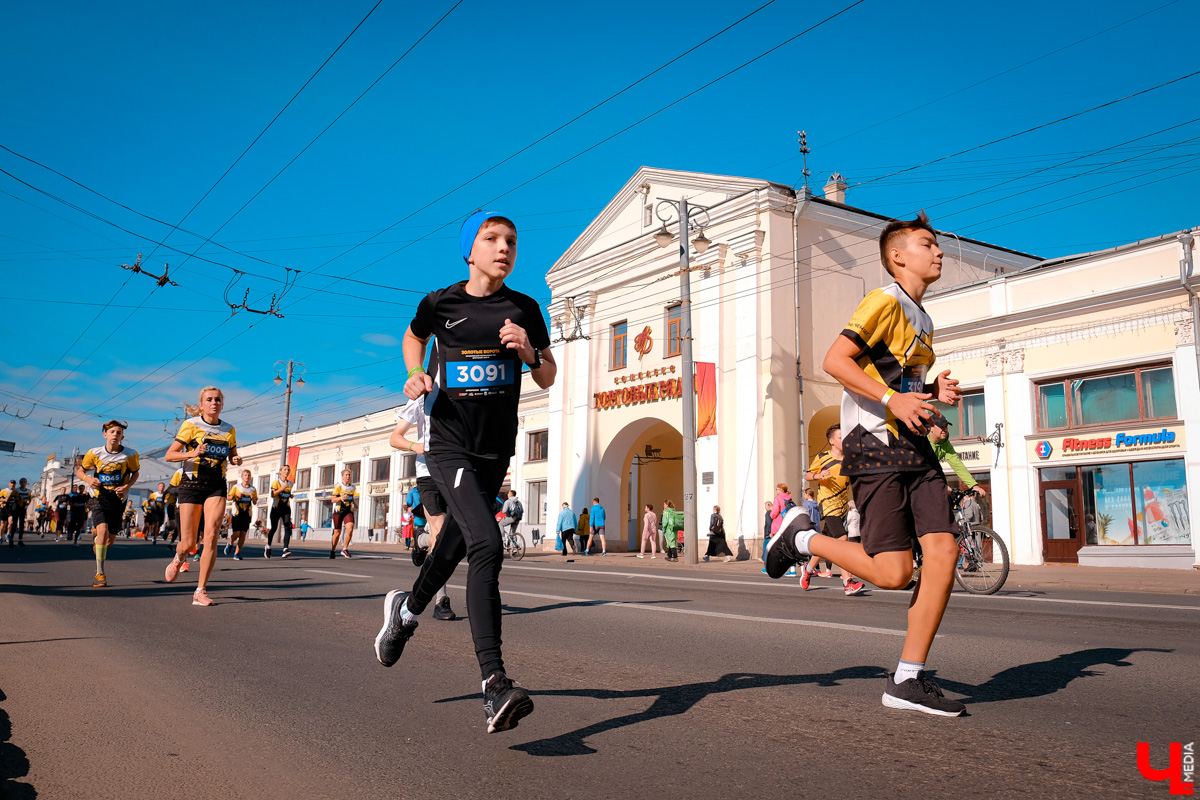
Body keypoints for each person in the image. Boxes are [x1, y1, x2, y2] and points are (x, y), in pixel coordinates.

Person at [766, 211, 967, 716]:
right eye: (928, 244)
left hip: (914, 448)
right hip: (873, 446)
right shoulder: (884, 300)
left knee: (943, 552)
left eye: (937, 245)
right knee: (895, 574)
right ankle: (800, 539)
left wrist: (929, 396)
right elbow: (836, 360)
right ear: (898, 256)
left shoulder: (924, 317)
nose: (938, 251)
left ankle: (907, 678)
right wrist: (895, 399)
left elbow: (902, 386)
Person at [372, 210, 556, 734]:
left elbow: (547, 374)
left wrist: (527, 350)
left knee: (453, 544)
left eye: (511, 242)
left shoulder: (524, 308)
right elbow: (412, 339)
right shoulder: (441, 303)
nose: (504, 248)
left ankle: (404, 614)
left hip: (495, 452)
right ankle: (495, 684)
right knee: (486, 545)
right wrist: (413, 375)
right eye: (492, 239)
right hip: (448, 446)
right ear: (469, 251)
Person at [163, 386, 241, 607]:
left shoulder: (229, 429)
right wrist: (193, 452)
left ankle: (200, 590)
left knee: (211, 536)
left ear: (222, 404)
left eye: (217, 399)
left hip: (216, 485)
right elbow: (170, 455)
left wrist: (236, 459)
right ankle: (179, 558)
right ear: (201, 405)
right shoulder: (191, 425)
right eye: (209, 399)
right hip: (192, 485)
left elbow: (233, 454)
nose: (214, 403)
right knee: (188, 542)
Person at [390, 390, 456, 621]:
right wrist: (415, 446)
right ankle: (441, 601)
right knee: (440, 537)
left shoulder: (464, 392)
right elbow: (395, 437)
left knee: (456, 538)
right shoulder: (422, 397)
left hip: (456, 473)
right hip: (428, 475)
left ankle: (420, 540)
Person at [803, 424, 866, 596]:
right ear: (831, 441)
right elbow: (808, 474)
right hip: (827, 503)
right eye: (840, 437)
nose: (844, 439)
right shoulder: (822, 457)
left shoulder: (849, 459)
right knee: (842, 538)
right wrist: (818, 475)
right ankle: (847, 582)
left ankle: (808, 569)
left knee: (827, 543)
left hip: (842, 504)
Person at [76, 421, 141, 587]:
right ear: (105, 435)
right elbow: (80, 471)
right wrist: (89, 479)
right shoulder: (94, 453)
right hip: (98, 496)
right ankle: (100, 573)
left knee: (109, 541)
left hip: (118, 499)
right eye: (111, 432)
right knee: (103, 531)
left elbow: (135, 473)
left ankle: (98, 538)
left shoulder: (130, 454)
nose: (115, 435)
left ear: (122, 437)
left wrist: (126, 487)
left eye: (118, 433)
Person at [928, 413, 987, 500]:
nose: (944, 429)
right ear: (931, 427)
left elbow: (957, 464)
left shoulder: (945, 444)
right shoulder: (923, 441)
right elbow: (923, 468)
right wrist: (939, 485)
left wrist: (973, 485)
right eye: (941, 427)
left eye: (946, 426)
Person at [227, 469, 256, 560]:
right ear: (242, 477)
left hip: (246, 514)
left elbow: (255, 502)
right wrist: (236, 496)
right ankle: (230, 543)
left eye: (248, 475)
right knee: (236, 533)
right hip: (237, 514)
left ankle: (237, 553)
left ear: (251, 478)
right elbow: (228, 497)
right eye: (245, 475)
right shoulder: (236, 487)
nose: (247, 477)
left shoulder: (253, 489)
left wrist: (253, 497)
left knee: (243, 534)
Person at [768, 485, 797, 578]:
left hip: (778, 524)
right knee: (789, 547)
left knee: (775, 547)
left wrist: (771, 513)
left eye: (777, 489)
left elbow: (774, 513)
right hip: (787, 523)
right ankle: (792, 569)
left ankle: (772, 567)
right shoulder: (789, 498)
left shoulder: (778, 498)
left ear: (780, 490)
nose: (776, 490)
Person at [267, 464, 295, 559]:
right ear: (280, 471)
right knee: (274, 528)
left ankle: (285, 549)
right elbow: (273, 494)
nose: (286, 471)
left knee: (287, 527)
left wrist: (290, 495)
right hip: (276, 508)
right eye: (284, 469)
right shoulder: (276, 482)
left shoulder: (290, 483)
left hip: (286, 508)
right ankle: (268, 546)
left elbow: (287, 493)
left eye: (288, 470)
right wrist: (282, 488)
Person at [331, 469, 358, 558]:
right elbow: (333, 500)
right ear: (342, 476)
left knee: (350, 528)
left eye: (349, 475)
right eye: (346, 475)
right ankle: (333, 550)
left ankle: (344, 549)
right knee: (337, 532)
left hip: (348, 510)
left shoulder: (353, 487)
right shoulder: (338, 486)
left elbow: (351, 497)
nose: (347, 477)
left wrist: (355, 504)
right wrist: (341, 497)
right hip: (338, 511)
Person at [10, 478, 34, 547]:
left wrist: (27, 504)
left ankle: (20, 540)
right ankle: (11, 539)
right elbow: (11, 498)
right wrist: (18, 498)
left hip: (23, 509)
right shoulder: (16, 490)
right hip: (16, 508)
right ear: (19, 483)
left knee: (21, 525)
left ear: (26, 483)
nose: (23, 483)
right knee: (14, 524)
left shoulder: (29, 491)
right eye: (22, 482)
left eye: (24, 482)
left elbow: (30, 499)